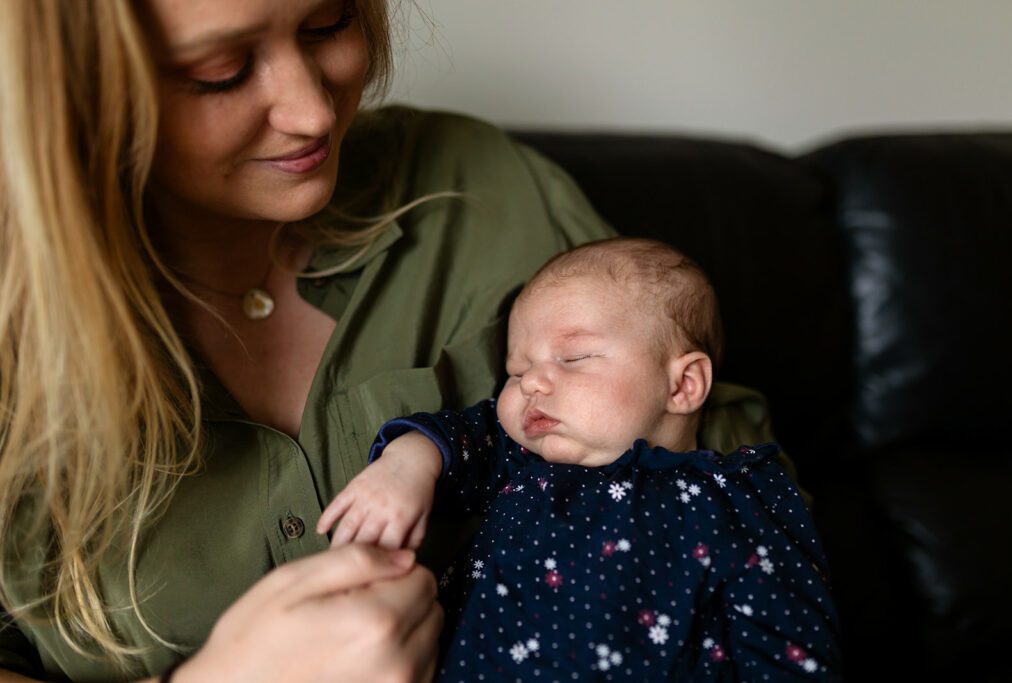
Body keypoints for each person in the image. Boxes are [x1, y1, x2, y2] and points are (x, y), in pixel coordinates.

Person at [0, 1, 792, 681]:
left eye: (327, 23)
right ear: (73, 92)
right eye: (221, 69)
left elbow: (738, 492)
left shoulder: (480, 191)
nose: (312, 112)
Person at [320, 238, 842, 681]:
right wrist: (403, 468)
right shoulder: (519, 458)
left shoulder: (742, 494)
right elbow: (452, 437)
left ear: (683, 385)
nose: (533, 383)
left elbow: (791, 643)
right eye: (517, 369)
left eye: (574, 358)